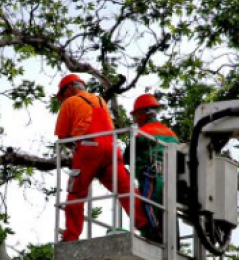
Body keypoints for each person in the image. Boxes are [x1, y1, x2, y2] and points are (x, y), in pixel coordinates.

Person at [54, 74, 149, 242]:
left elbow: (62, 137)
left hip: (90, 148)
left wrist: (76, 147)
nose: (62, 100)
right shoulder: (100, 100)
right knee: (126, 189)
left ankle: (71, 236)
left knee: (76, 193)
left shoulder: (70, 102)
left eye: (62, 96)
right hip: (112, 149)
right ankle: (147, 227)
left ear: (69, 89)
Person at [124, 93, 180, 243]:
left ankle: (152, 237)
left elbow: (126, 156)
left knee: (147, 208)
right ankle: (173, 243)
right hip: (171, 179)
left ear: (144, 113)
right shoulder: (171, 134)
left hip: (151, 177)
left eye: (136, 115)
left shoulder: (143, 133)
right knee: (169, 212)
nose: (135, 119)